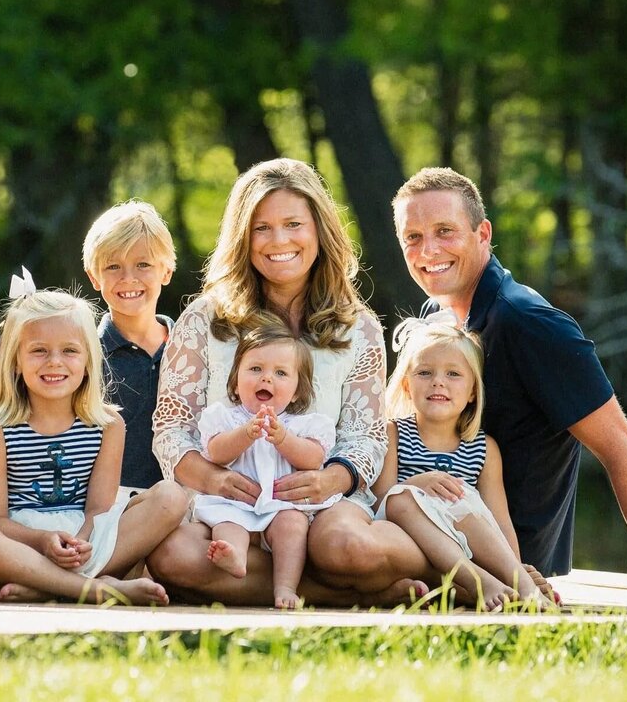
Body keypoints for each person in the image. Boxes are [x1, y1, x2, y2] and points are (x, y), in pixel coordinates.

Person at [392, 166, 627, 607]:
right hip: (424, 523)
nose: (428, 250)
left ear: (483, 233)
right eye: (413, 238)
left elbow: (621, 449)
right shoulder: (439, 319)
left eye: (444, 231)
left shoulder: (530, 324)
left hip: (505, 556)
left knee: (344, 549)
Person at [150, 158, 431, 607]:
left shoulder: (356, 327)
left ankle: (431, 565)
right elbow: (171, 426)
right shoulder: (205, 319)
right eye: (262, 228)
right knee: (175, 557)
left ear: (319, 229)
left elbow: (367, 436)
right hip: (228, 506)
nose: (279, 241)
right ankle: (346, 589)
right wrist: (210, 477)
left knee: (348, 547)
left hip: (317, 505)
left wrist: (333, 479)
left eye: (293, 224)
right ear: (243, 237)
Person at [0, 288, 187, 605]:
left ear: (88, 361)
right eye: (39, 351)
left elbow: (99, 510)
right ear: (15, 362)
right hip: (22, 546)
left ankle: (48, 587)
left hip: (87, 538)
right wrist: (42, 541)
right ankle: (93, 589)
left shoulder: (107, 425)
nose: (55, 363)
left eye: (69, 351)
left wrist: (79, 543)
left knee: (171, 496)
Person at [373, 314, 549, 609]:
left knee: (463, 499)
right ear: (406, 386)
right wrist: (416, 485)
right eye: (425, 373)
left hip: (466, 541)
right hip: (413, 541)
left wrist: (515, 564)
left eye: (453, 374)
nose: (438, 383)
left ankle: (519, 583)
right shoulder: (394, 434)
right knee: (400, 499)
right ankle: (477, 581)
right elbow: (379, 503)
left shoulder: (483, 448)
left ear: (472, 393)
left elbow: (498, 520)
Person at [193, 322, 339, 609]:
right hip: (237, 503)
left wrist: (284, 439)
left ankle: (285, 586)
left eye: (281, 373)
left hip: (281, 506)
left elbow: (313, 458)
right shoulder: (226, 418)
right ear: (236, 381)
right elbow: (216, 452)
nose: (267, 379)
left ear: (297, 391)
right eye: (256, 369)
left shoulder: (304, 424)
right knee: (227, 522)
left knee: (293, 526)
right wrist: (245, 434)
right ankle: (234, 556)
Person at [82, 200, 176, 490]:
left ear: (166, 271)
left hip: (189, 506)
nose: (128, 278)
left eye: (143, 264)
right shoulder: (85, 358)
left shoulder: (191, 349)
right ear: (94, 277)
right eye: (113, 266)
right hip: (115, 511)